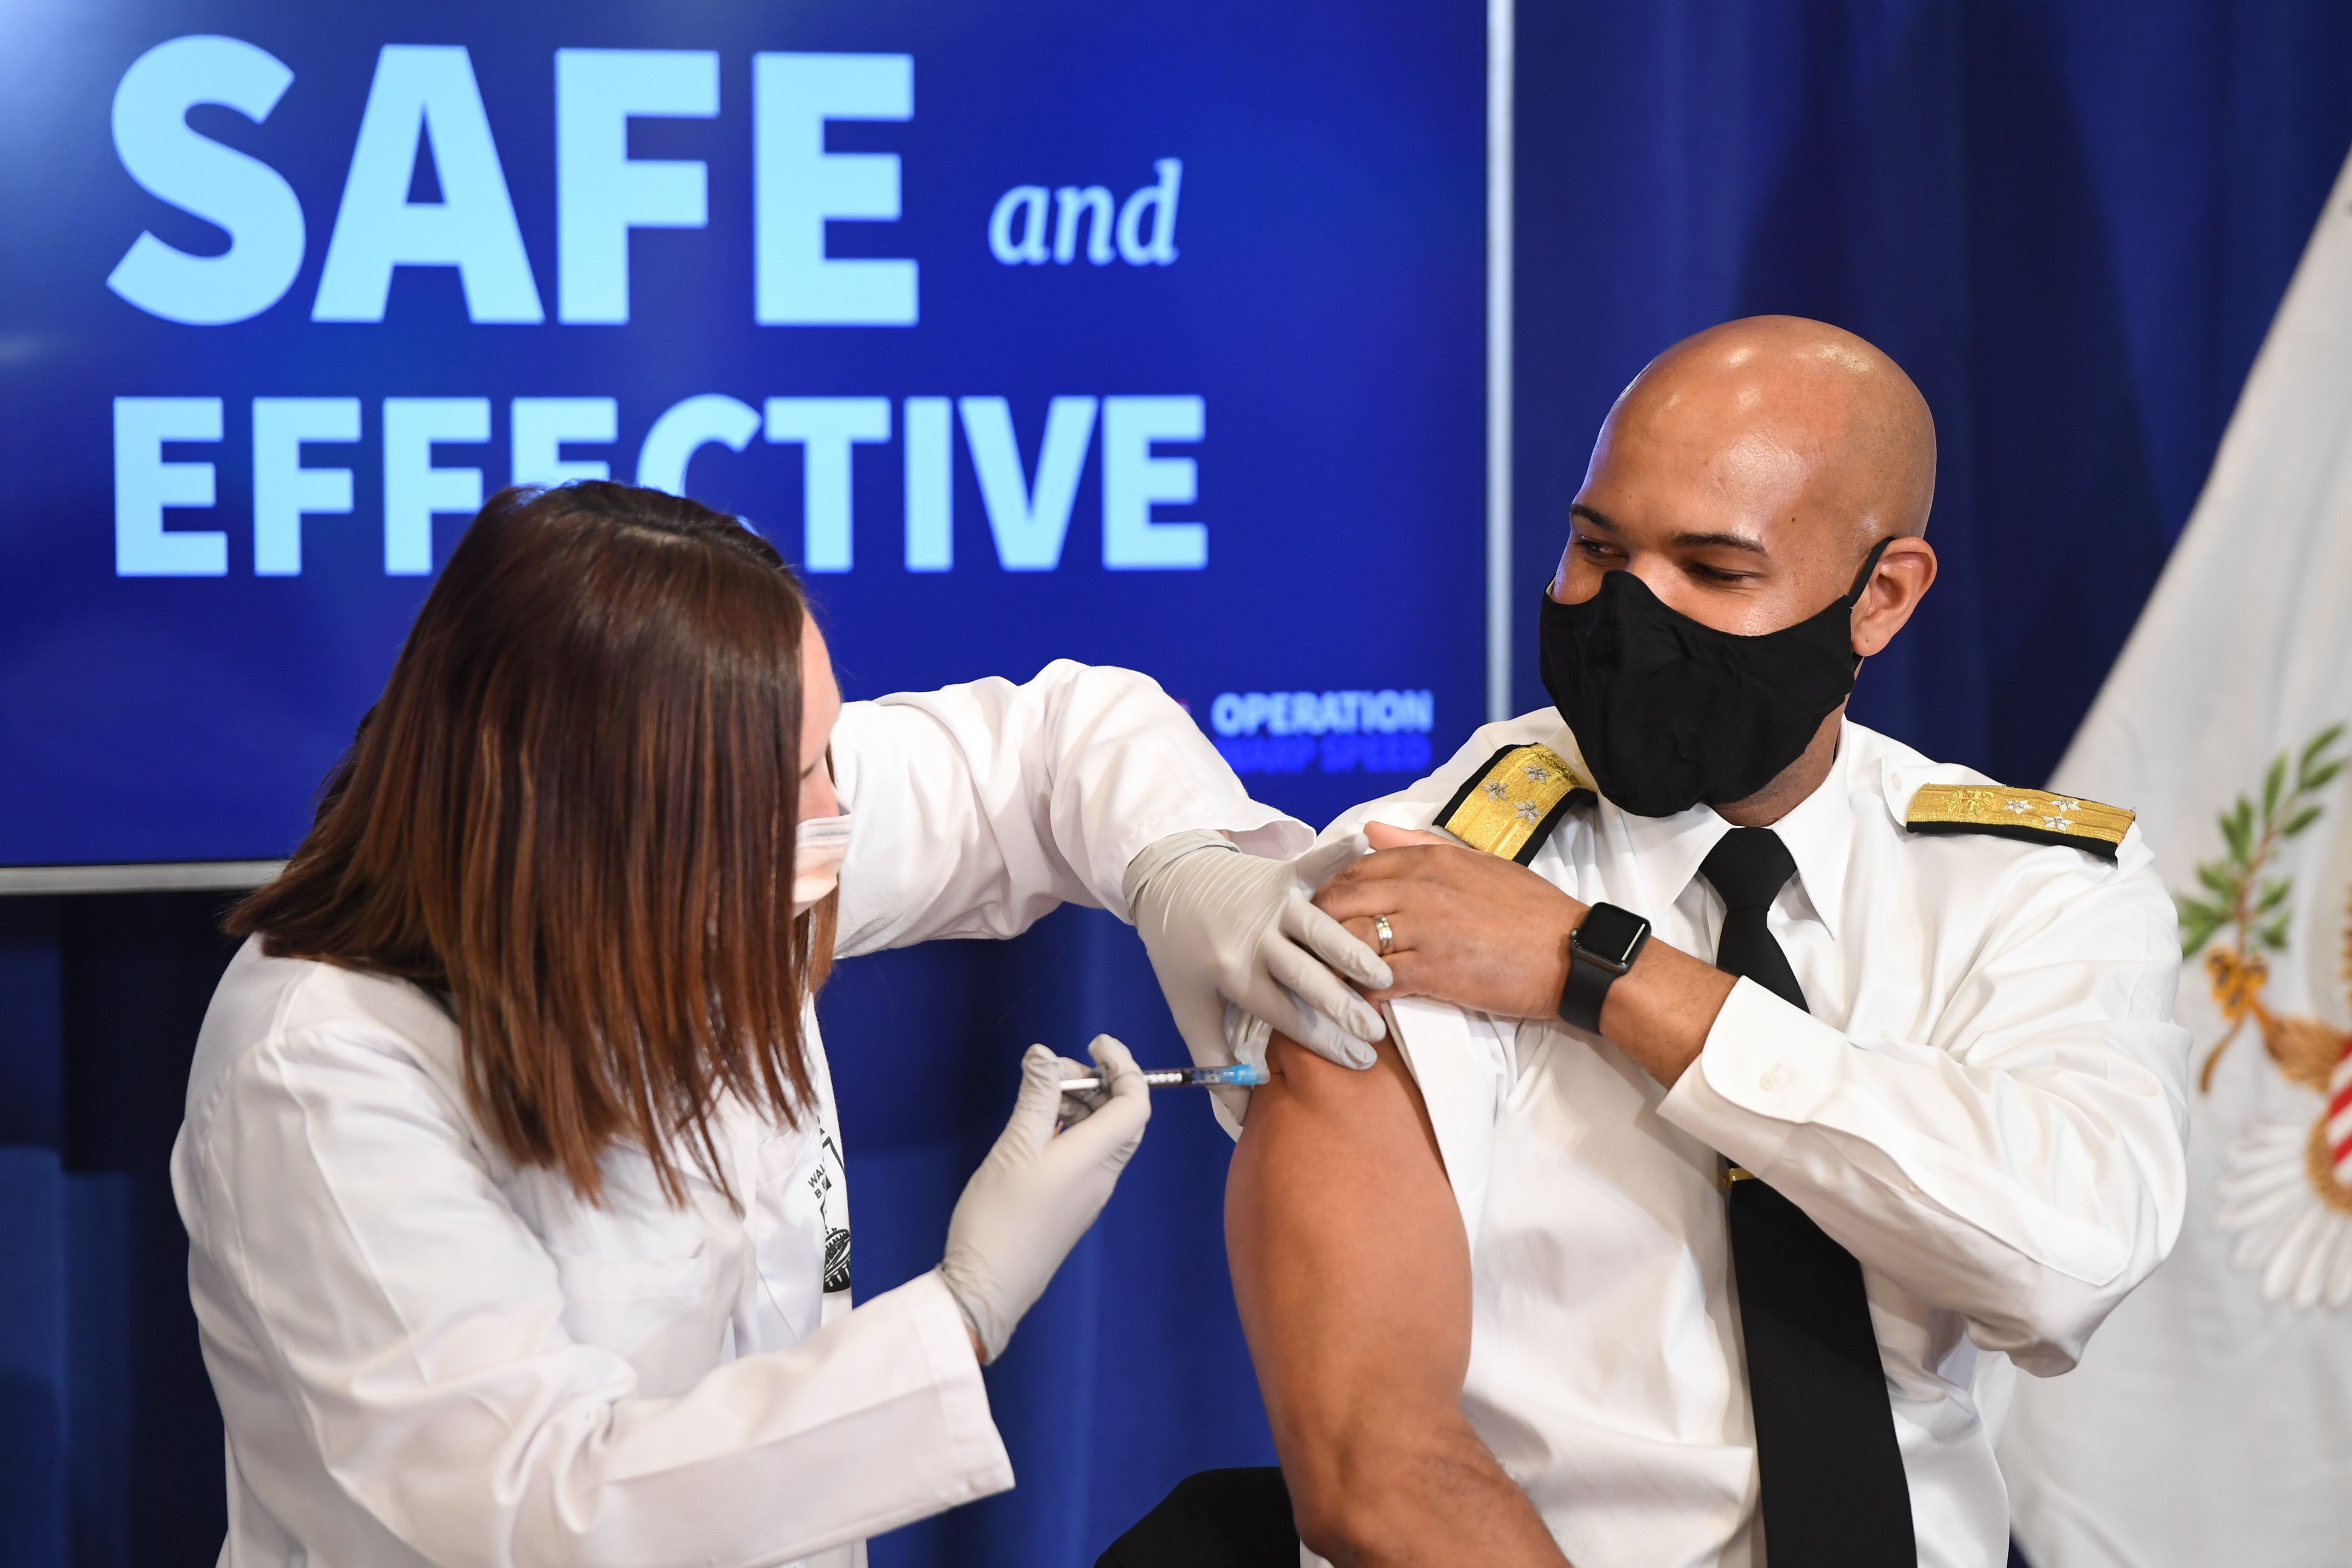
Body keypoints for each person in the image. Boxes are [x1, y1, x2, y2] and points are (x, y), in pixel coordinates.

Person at [1122, 318, 2191, 1568]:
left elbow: (2068, 1263)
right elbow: (1378, 1473)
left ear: (1883, 597)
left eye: (1714, 572)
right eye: (1596, 550)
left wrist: (1605, 973)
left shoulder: (2024, 888)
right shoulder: (1425, 873)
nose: (1629, 616)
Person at [172, 482, 1391, 1568]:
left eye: (825, 753)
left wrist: (1181, 869)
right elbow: (542, 1514)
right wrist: (962, 1313)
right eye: (800, 778)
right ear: (614, 817)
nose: (840, 813)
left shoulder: (718, 850)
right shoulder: (324, 1069)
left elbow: (1054, 747)